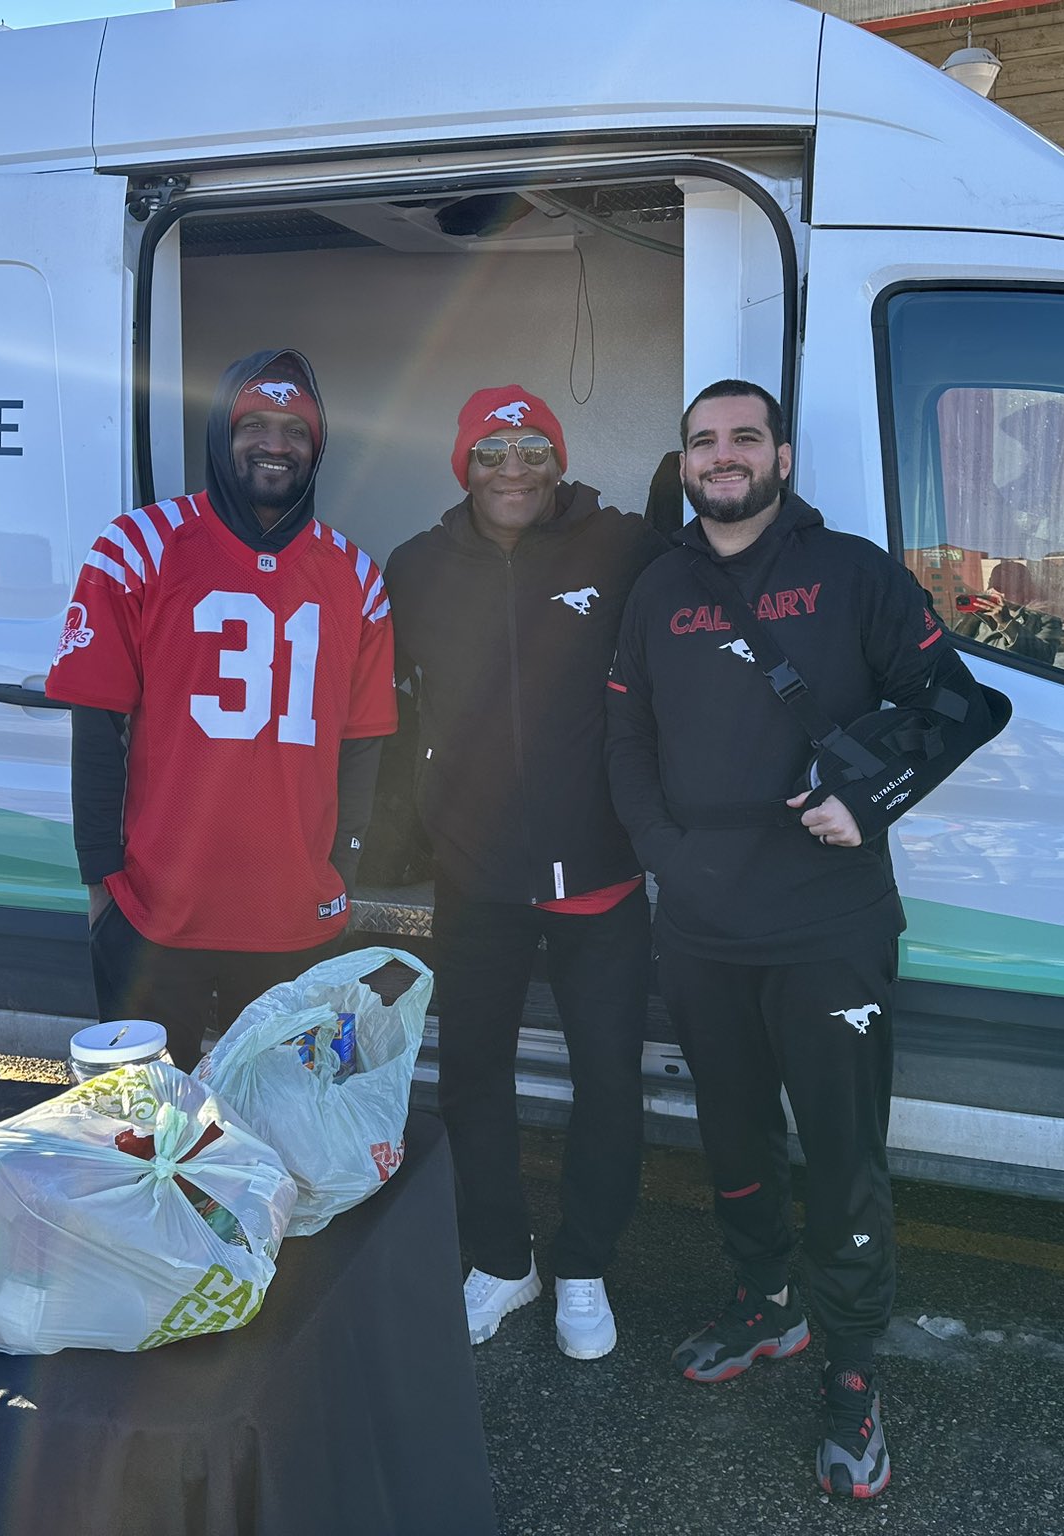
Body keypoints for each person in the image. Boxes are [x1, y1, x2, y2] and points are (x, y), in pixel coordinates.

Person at [606, 379, 1004, 1499]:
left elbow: (959, 703)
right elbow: (622, 736)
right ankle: (759, 1303)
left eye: (743, 438)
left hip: (827, 925)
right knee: (730, 1136)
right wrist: (661, 854)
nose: (721, 457)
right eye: (702, 443)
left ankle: (850, 1374)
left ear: (779, 454)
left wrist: (870, 803)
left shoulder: (855, 573)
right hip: (697, 924)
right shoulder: (658, 587)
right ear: (683, 463)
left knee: (839, 1157)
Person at [383, 386, 666, 1361]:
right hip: (476, 872)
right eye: (492, 451)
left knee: (604, 1082)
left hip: (600, 872)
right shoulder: (413, 569)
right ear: (462, 464)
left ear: (557, 463)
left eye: (532, 449)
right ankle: (503, 1261)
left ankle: (583, 1265)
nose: (512, 468)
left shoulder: (620, 546)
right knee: (471, 1077)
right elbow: (385, 709)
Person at [45, 350, 397, 1068]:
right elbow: (96, 727)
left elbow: (362, 749)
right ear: (220, 434)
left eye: (296, 429)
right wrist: (99, 885)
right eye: (255, 425)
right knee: (146, 1132)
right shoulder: (136, 548)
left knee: (280, 1132)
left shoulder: (356, 577)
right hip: (156, 911)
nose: (276, 443)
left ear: (318, 446)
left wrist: (341, 878)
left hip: (293, 915)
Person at [951, 561, 1059, 663]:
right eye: (998, 588)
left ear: (1025, 590)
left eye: (1011, 589)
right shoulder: (975, 616)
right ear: (989, 587)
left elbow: (1046, 657)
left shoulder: (1043, 618)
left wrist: (1007, 623)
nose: (1004, 595)